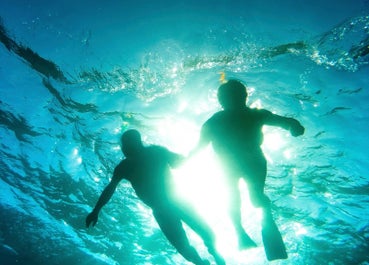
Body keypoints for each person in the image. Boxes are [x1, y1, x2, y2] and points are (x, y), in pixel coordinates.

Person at [191, 79, 305, 261]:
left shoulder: (217, 121)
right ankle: (248, 227)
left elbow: (197, 149)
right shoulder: (246, 116)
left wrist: (294, 125)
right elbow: (285, 121)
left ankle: (244, 230)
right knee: (248, 196)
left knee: (240, 197)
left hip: (239, 164)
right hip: (246, 163)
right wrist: (294, 125)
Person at [86, 129, 226, 265]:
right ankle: (205, 259)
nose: (123, 149)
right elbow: (179, 162)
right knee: (195, 237)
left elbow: (110, 189)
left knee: (196, 238)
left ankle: (210, 256)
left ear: (130, 144)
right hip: (172, 203)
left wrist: (96, 210)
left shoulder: (134, 161)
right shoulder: (143, 157)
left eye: (124, 144)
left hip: (171, 204)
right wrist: (96, 210)